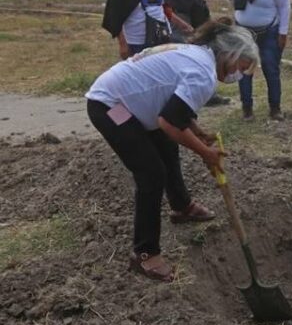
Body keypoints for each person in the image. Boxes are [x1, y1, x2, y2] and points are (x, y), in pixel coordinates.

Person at [85, 21, 260, 281]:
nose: (239, 75)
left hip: (129, 101)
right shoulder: (204, 74)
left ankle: (181, 206)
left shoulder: (198, 55)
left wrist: (196, 130)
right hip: (111, 106)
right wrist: (205, 153)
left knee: (167, 148)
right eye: (242, 67)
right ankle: (145, 254)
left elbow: (174, 106)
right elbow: (168, 122)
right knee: (151, 173)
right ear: (230, 55)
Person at [159, 0, 229, 106]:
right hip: (181, 22)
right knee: (195, 58)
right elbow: (185, 0)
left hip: (183, 20)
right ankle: (202, 95)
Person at [225, 0, 290, 121]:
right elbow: (241, 7)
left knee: (271, 69)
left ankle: (275, 108)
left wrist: (283, 33)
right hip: (245, 33)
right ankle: (247, 109)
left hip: (268, 33)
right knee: (244, 71)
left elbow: (284, 7)